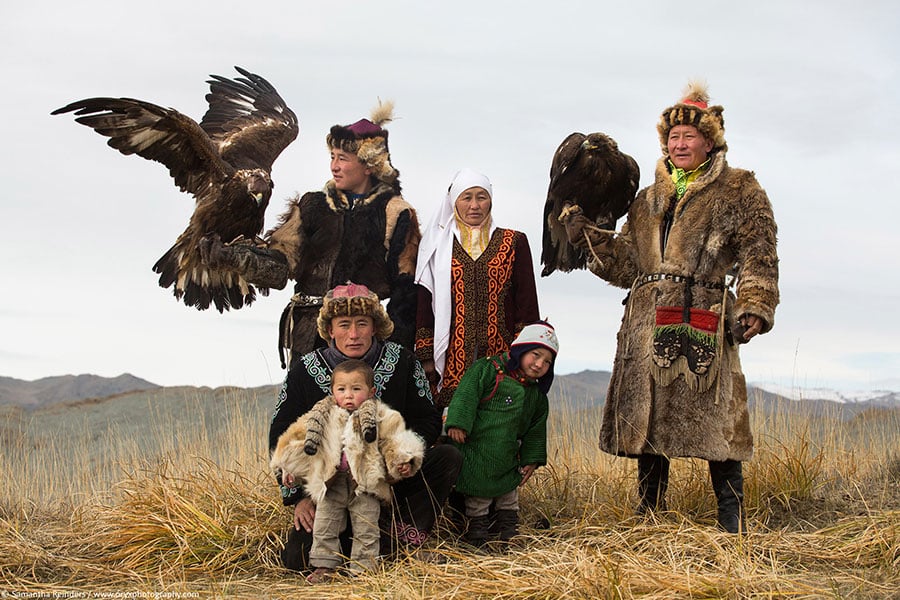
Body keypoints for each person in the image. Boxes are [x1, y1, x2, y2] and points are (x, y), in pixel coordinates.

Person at [563, 81, 780, 533]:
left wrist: (755, 304)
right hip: (647, 320)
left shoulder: (740, 189)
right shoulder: (647, 199)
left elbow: (760, 251)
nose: (679, 144)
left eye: (689, 137)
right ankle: (650, 519)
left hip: (703, 312)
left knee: (719, 426)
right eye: (673, 137)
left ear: (710, 140)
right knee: (651, 424)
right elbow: (627, 265)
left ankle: (730, 524)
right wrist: (587, 237)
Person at [201, 100, 422, 369]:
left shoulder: (395, 213)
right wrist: (234, 259)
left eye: (343, 158)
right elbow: (280, 267)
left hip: (363, 347)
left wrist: (393, 357)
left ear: (369, 165)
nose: (334, 166)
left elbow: (406, 295)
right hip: (307, 340)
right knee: (301, 413)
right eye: (332, 157)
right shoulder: (312, 205)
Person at [268, 282, 462, 571]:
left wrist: (398, 459)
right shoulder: (304, 372)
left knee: (448, 457)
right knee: (298, 560)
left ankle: (401, 536)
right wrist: (298, 498)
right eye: (344, 325)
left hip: (394, 483)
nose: (354, 334)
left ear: (376, 326)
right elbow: (281, 434)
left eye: (362, 323)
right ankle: (366, 547)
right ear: (330, 330)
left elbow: (428, 419)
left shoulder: (403, 362)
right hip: (331, 489)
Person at [270, 359, 426, 583]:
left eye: (356, 389)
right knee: (325, 526)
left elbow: (395, 441)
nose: (349, 395)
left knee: (366, 528)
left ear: (371, 391)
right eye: (342, 389)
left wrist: (402, 461)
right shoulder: (321, 417)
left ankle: (364, 571)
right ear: (332, 391)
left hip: (364, 484)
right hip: (330, 484)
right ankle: (324, 567)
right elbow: (297, 442)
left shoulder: (382, 416)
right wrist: (289, 468)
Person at [414, 168, 540, 408]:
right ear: (454, 201)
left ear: (490, 201)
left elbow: (527, 302)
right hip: (452, 356)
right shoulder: (436, 247)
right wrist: (426, 354)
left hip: (502, 354)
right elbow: (425, 302)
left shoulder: (514, 242)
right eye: (467, 197)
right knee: (453, 427)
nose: (474, 205)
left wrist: (525, 351)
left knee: (497, 424)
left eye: (481, 197)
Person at [444, 321, 559, 546]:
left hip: (507, 457)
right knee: (478, 499)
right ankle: (476, 541)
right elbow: (467, 393)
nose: (538, 364)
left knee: (509, 500)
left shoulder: (535, 396)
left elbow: (536, 427)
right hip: (476, 452)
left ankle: (509, 538)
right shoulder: (488, 369)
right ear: (522, 348)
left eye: (547, 362)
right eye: (535, 355)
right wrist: (458, 423)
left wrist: (531, 459)